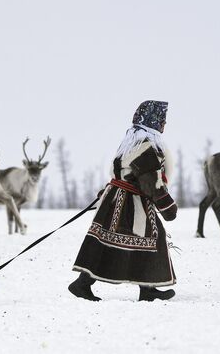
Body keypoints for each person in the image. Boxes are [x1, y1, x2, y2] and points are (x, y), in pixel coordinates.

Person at [69, 100, 178, 301]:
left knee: (106, 242)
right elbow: (151, 181)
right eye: (162, 120)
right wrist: (167, 206)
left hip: (116, 200)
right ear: (154, 122)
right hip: (131, 203)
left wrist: (107, 193)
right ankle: (146, 290)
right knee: (152, 239)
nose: (164, 125)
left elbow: (121, 173)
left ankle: (85, 283)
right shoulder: (146, 146)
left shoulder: (129, 144)